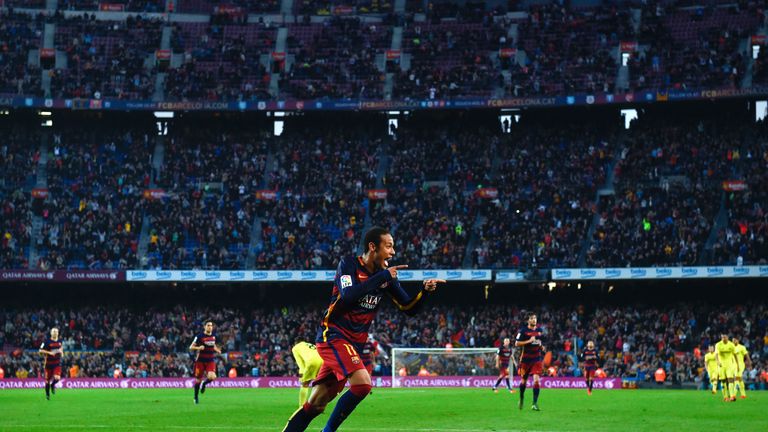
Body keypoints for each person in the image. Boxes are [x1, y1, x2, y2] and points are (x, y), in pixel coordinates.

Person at [282, 226, 445, 432]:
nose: (393, 252)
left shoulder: (385, 277)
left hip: (353, 345)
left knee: (315, 404)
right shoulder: (348, 265)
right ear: (372, 247)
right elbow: (349, 295)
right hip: (333, 336)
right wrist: (382, 277)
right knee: (363, 385)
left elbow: (408, 308)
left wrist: (424, 291)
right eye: (388, 246)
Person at [515, 313, 545, 411]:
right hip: (525, 360)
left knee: (536, 380)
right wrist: (528, 341)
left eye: (535, 318)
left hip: (536, 359)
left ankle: (534, 403)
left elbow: (539, 343)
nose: (534, 320)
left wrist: (541, 346)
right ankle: (521, 398)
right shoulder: (523, 331)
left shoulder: (539, 331)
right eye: (532, 318)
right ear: (528, 320)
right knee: (524, 381)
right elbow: (517, 343)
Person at [190, 320, 221, 404]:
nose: (210, 327)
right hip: (200, 361)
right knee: (197, 381)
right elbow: (191, 347)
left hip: (210, 360)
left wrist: (217, 349)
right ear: (204, 327)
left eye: (211, 325)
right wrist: (198, 348)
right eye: (208, 325)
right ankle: (196, 397)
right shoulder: (199, 336)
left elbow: (212, 344)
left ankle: (204, 383)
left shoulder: (214, 336)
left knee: (212, 377)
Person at [291, 340, 323, 407]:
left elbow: (300, 364)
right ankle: (319, 404)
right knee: (319, 384)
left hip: (312, 362)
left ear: (295, 343)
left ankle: (301, 407)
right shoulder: (310, 345)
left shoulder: (295, 348)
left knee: (305, 384)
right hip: (323, 361)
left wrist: (301, 375)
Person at [39, 327, 63, 400]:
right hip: (48, 364)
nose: (55, 333)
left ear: (58, 333)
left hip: (57, 363)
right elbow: (40, 351)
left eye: (56, 331)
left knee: (57, 378)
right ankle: (47, 394)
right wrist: (49, 352)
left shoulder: (60, 341)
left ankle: (53, 385)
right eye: (53, 331)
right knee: (47, 381)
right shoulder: (46, 342)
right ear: (51, 333)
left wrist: (62, 352)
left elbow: (61, 347)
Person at [715, 333, 737, 402]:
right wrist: (718, 362)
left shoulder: (731, 345)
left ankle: (732, 396)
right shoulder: (718, 345)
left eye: (724, 337)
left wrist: (737, 363)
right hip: (721, 365)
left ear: (727, 337)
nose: (723, 339)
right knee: (723, 381)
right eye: (722, 337)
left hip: (729, 365)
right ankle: (725, 397)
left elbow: (735, 354)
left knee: (730, 380)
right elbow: (716, 354)